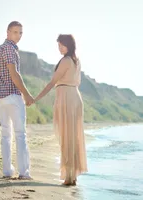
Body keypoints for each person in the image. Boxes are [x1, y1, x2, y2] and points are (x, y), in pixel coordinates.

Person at [34, 34, 88, 185]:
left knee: (66, 137)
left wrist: (35, 99)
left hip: (66, 98)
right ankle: (72, 176)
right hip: (74, 97)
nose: (59, 48)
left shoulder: (65, 60)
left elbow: (52, 83)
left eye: (62, 45)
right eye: (58, 45)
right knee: (73, 137)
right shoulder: (76, 61)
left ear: (69, 45)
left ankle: (69, 176)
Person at [0, 21, 33, 180]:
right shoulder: (10, 49)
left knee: (5, 134)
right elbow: (14, 74)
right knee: (20, 134)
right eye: (15, 32)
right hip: (12, 96)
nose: (18, 36)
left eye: (21, 33)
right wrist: (27, 94)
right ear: (8, 32)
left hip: (0, 98)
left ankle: (7, 171)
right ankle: (24, 173)